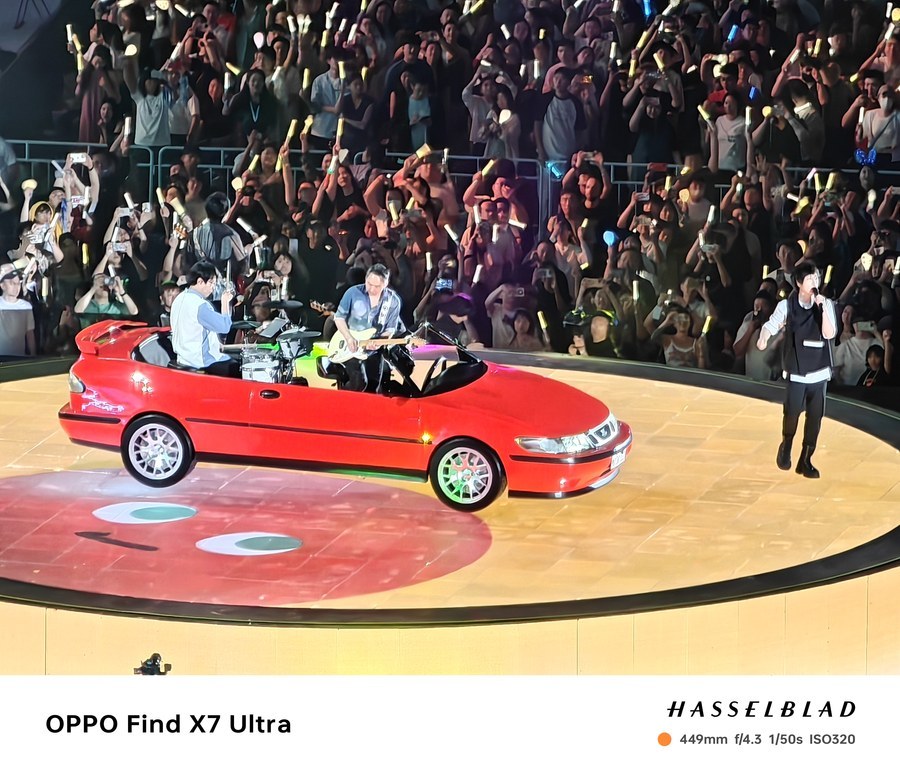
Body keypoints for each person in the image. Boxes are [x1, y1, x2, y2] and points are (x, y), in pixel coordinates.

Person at [757, 262, 837, 479]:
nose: (814, 282)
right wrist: (764, 337)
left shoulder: (825, 304)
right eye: (810, 279)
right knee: (792, 412)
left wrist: (822, 308)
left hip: (819, 369)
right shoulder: (787, 305)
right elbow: (772, 324)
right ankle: (786, 445)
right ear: (799, 283)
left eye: (816, 278)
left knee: (815, 417)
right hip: (797, 370)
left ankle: (806, 459)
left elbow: (829, 333)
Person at [333, 263, 404, 393]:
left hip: (374, 351)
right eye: (369, 284)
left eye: (377, 286)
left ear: (385, 284)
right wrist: (349, 338)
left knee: (373, 388)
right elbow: (339, 318)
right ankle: (340, 400)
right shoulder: (353, 293)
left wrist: (378, 343)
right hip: (351, 346)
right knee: (359, 382)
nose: (371, 289)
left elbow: (390, 329)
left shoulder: (393, 301)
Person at [169, 260, 238, 377]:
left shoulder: (179, 298)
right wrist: (225, 303)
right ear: (200, 281)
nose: (213, 288)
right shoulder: (200, 305)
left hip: (183, 358)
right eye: (211, 283)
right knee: (237, 367)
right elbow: (225, 327)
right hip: (200, 362)